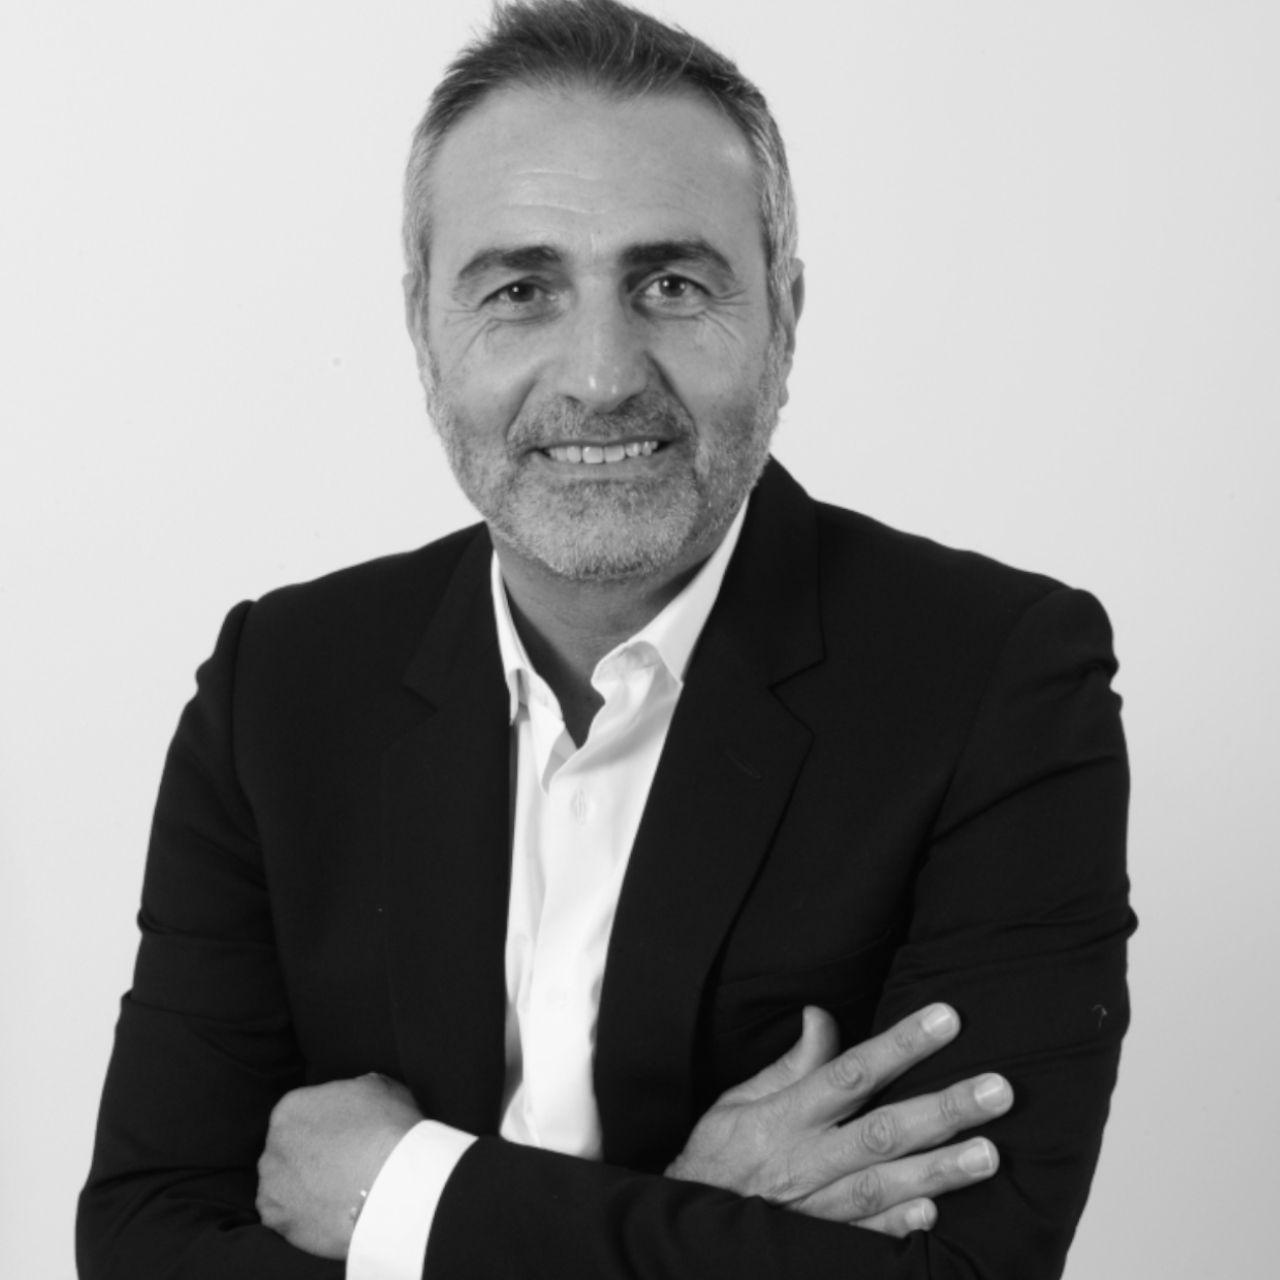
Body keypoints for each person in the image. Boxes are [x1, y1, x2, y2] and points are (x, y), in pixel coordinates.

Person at [77, 2, 1134, 1277]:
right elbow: (142, 1241)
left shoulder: (997, 679)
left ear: (784, 316)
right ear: (422, 329)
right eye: (519, 290)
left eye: (671, 285)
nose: (598, 375)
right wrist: (693, 1209)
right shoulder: (281, 683)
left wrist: (407, 1195)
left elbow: (960, 1271)